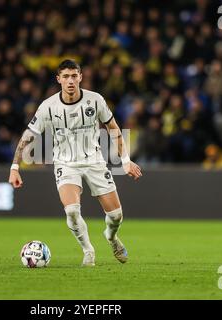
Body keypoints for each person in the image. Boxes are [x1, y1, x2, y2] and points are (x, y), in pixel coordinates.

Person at [8, 60, 142, 266]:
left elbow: (113, 128)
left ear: (80, 77)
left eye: (74, 76)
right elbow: (27, 137)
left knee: (116, 216)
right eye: (66, 76)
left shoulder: (95, 100)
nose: (70, 81)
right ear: (58, 79)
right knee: (71, 210)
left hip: (95, 162)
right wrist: (15, 167)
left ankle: (111, 237)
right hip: (66, 164)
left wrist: (125, 161)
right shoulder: (48, 107)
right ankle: (88, 250)